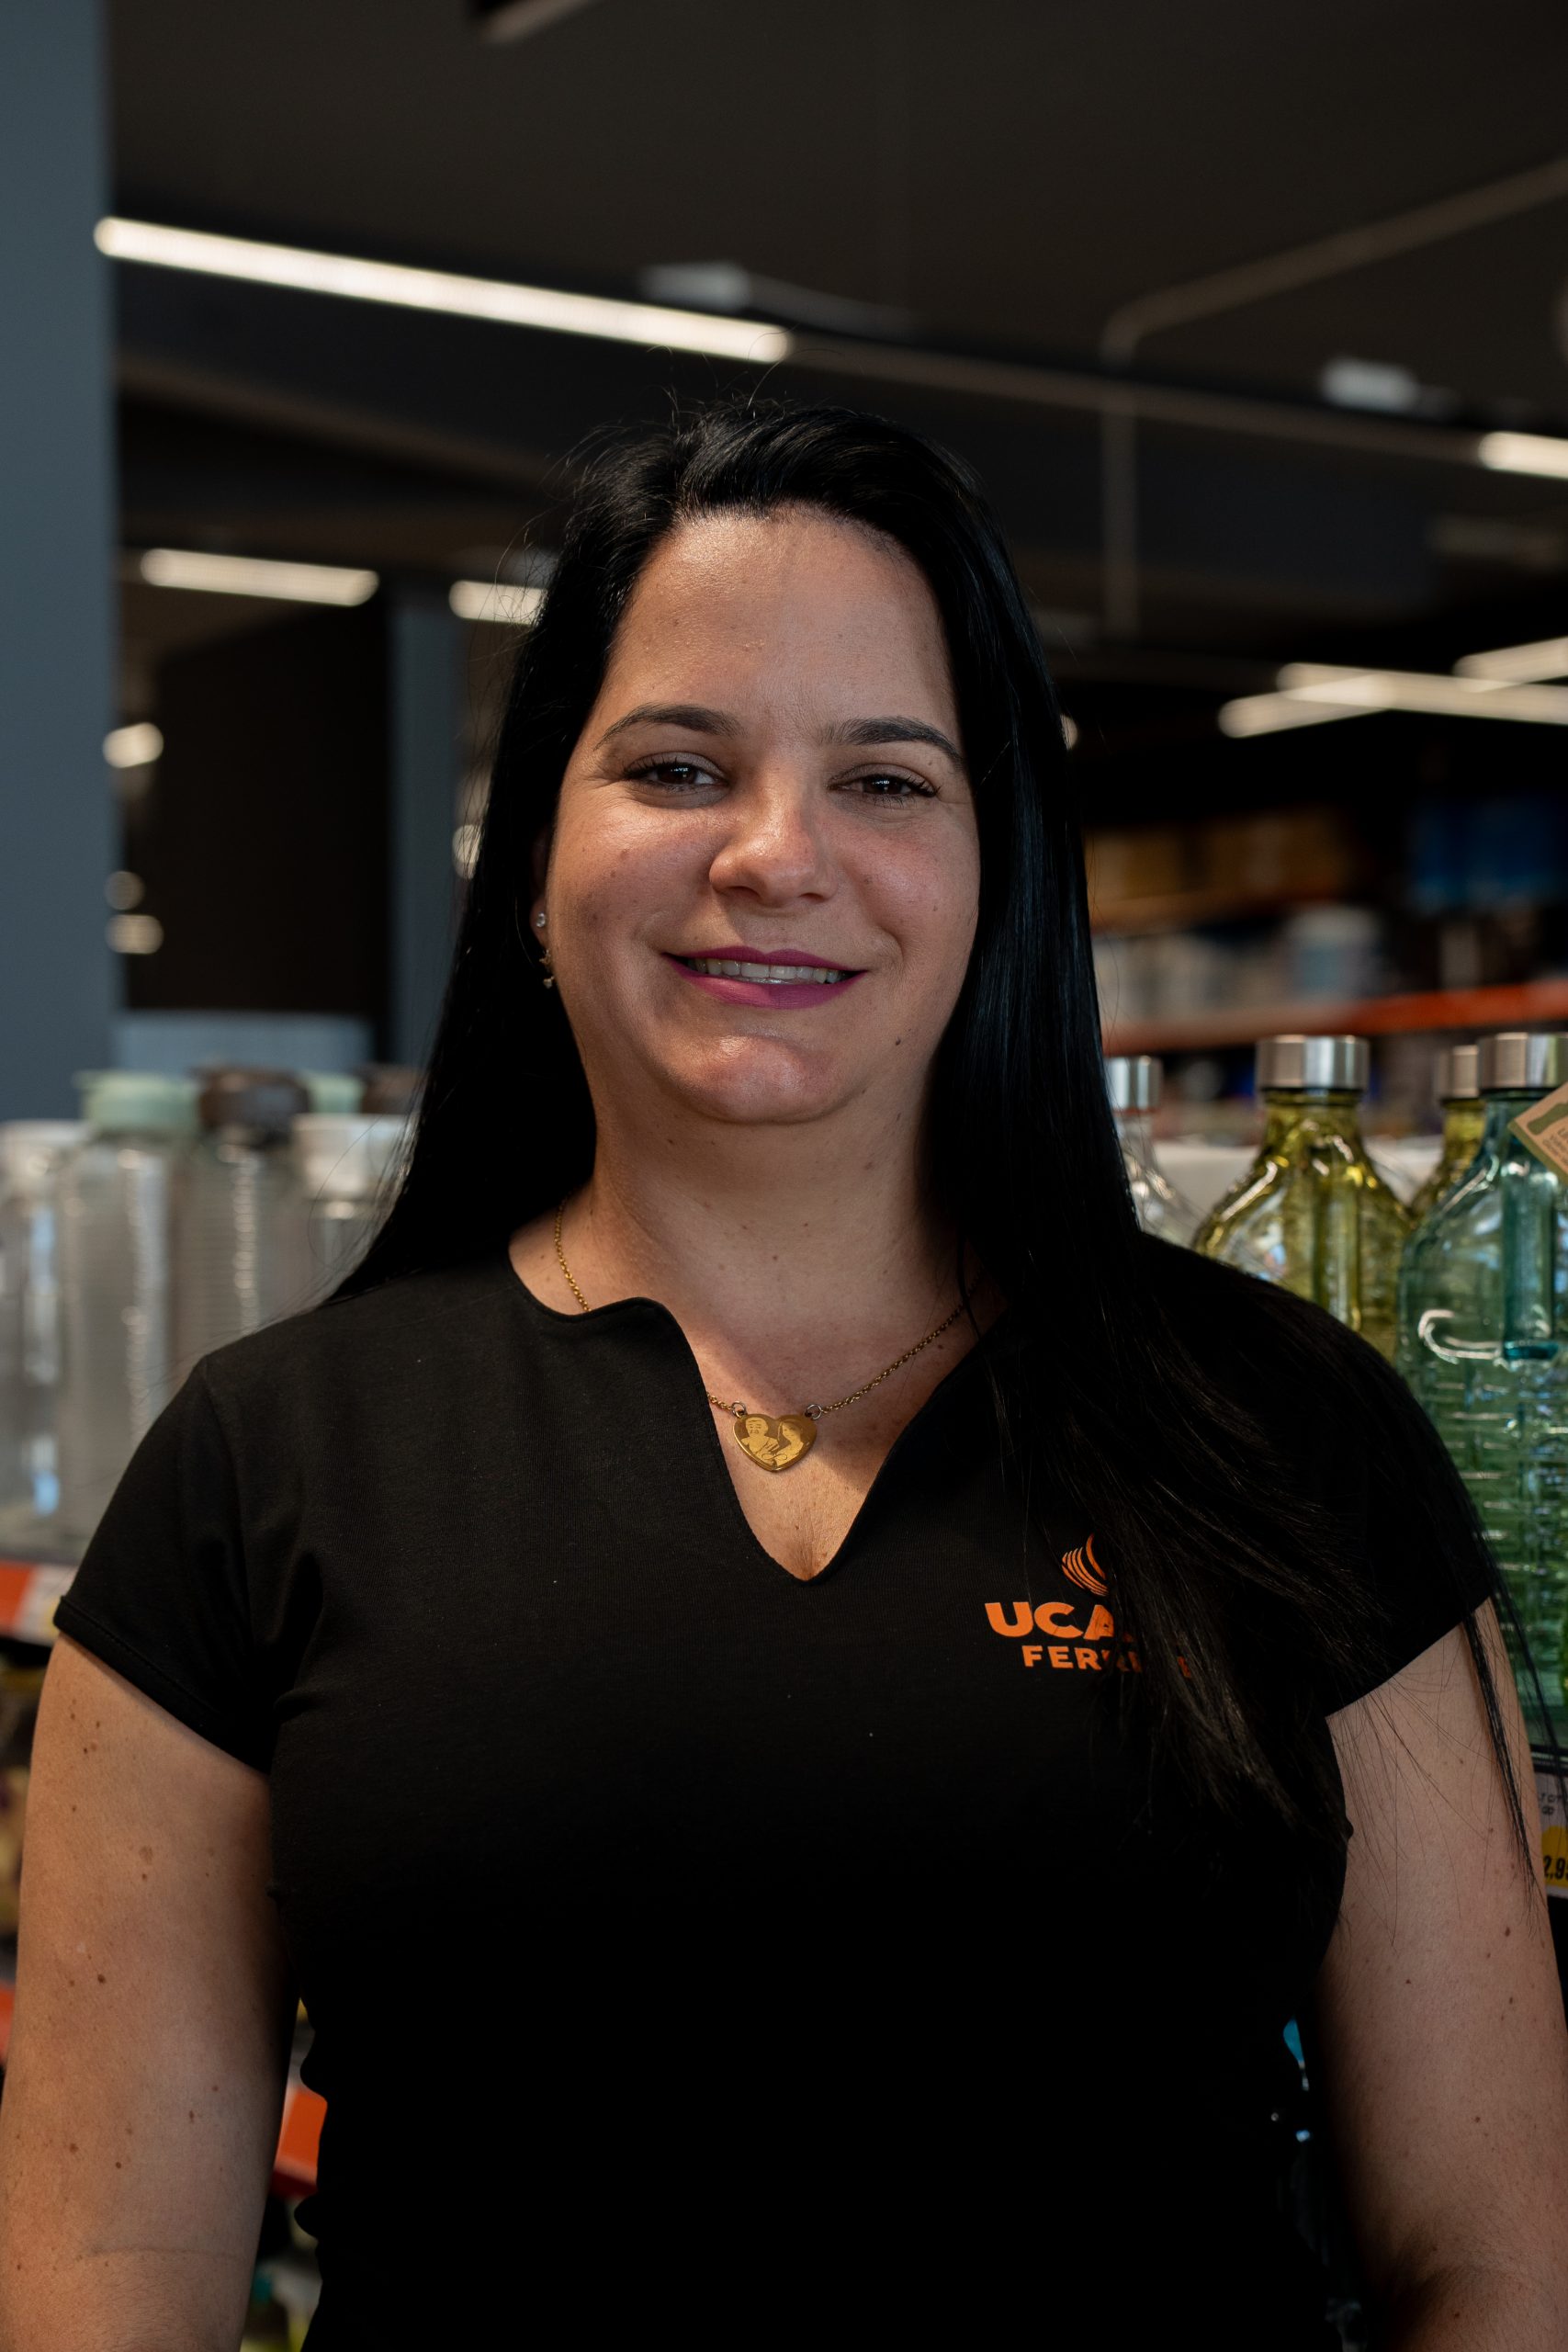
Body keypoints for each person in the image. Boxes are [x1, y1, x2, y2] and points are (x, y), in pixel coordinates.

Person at [2, 400, 1565, 2350]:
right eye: (677, 765)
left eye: (885, 779)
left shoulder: (1286, 1430)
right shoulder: (265, 1466)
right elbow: (107, 2283)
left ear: (996, 865)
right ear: (537, 853)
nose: (777, 855)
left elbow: (1495, 2253)